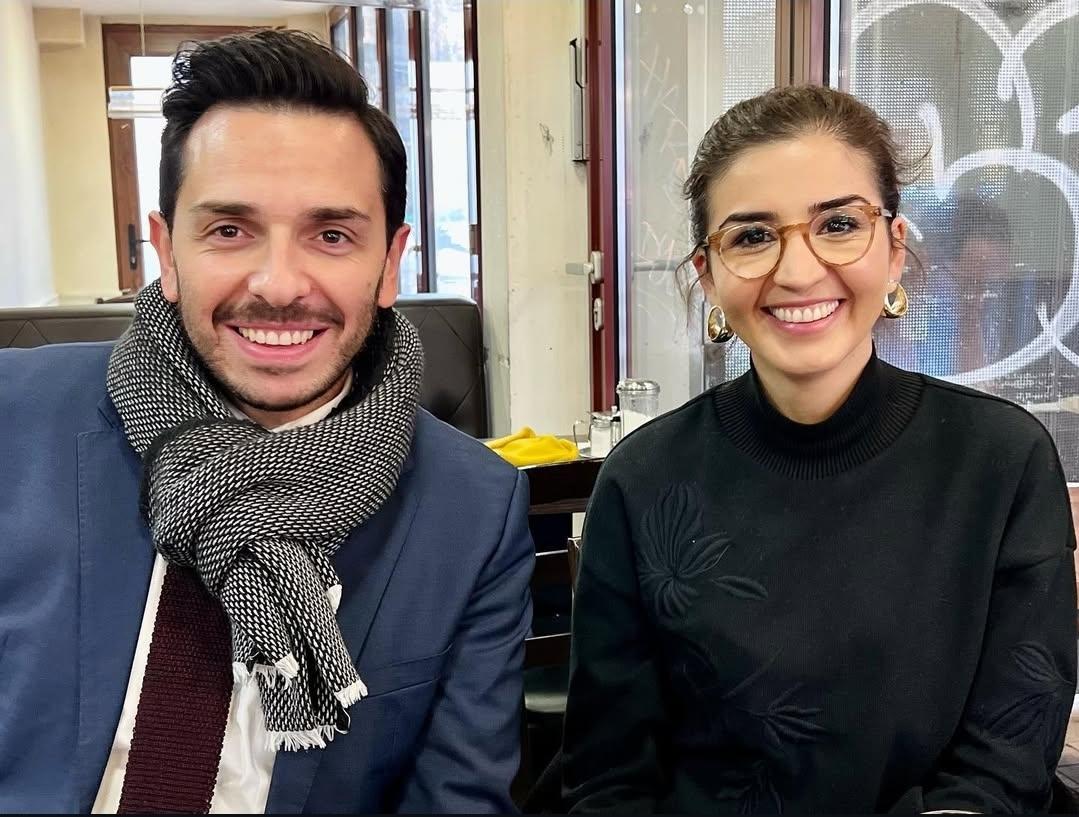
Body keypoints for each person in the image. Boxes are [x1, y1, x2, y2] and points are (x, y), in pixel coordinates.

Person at [0, 30, 532, 814]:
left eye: (331, 235)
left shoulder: (473, 509)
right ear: (166, 251)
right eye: (229, 230)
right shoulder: (14, 419)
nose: (279, 284)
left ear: (390, 263)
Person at [562, 86, 1076, 814]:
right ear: (707, 274)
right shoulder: (643, 480)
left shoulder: (999, 461)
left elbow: (1005, 759)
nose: (798, 271)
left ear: (894, 249)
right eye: (751, 236)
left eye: (838, 224)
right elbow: (609, 775)